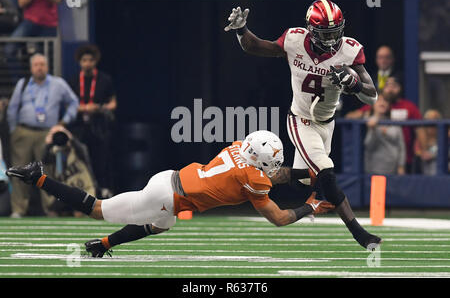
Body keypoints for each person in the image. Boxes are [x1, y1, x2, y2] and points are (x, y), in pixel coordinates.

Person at [6, 130, 335, 257]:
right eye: (269, 165)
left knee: (164, 225)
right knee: (97, 209)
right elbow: (277, 217)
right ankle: (39, 178)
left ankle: (102, 245)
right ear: (260, 161)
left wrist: (314, 173)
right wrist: (310, 207)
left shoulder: (238, 149)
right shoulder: (255, 178)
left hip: (171, 181)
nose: (272, 170)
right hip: (165, 196)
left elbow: (271, 175)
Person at [224, 0, 382, 249]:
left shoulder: (351, 50)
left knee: (305, 181)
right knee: (326, 174)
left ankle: (250, 178)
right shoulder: (294, 40)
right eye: (324, 33)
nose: (331, 39)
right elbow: (256, 47)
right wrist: (242, 30)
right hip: (301, 119)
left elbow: (372, 95)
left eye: (334, 32)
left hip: (327, 123)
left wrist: (354, 85)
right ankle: (360, 234)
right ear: (310, 29)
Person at [6, 53, 79, 217]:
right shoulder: (23, 84)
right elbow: (12, 108)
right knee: (19, 170)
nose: (39, 67)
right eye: (36, 65)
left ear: (47, 67)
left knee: (48, 171)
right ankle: (18, 209)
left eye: (42, 64)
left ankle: (51, 208)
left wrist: (64, 122)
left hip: (47, 133)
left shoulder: (57, 84)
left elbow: (74, 102)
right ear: (31, 68)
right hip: (23, 132)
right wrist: (13, 131)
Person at [346, 77, 427, 173]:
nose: (391, 89)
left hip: (402, 161)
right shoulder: (374, 108)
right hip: (375, 166)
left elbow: (418, 131)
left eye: (394, 86)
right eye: (388, 85)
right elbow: (350, 117)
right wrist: (367, 116)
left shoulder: (409, 107)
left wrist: (424, 150)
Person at [68, 44, 116, 196]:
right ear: (79, 62)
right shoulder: (73, 80)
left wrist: (99, 108)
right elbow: (67, 105)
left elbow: (113, 103)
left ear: (95, 61)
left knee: (101, 161)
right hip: (79, 127)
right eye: (84, 60)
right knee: (79, 162)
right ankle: (82, 193)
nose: (87, 63)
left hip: (99, 127)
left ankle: (103, 192)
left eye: (90, 60)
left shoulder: (105, 79)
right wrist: (82, 108)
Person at [42, 125, 97, 217]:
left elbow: (83, 150)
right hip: (62, 193)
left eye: (61, 133)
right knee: (52, 214)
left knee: (79, 213)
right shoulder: (52, 153)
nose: (60, 137)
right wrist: (48, 144)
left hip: (83, 190)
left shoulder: (78, 150)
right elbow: (44, 162)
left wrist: (69, 137)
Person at [364, 95, 405, 175]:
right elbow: (368, 146)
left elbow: (401, 145)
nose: (382, 103)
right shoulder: (366, 121)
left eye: (385, 100)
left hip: (394, 170)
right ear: (373, 104)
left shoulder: (395, 123)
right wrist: (373, 129)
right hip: (375, 170)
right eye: (379, 100)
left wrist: (401, 166)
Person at [416, 109, 442, 175]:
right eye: (428, 119)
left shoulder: (442, 131)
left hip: (439, 163)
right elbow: (416, 149)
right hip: (424, 162)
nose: (431, 121)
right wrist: (422, 153)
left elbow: (446, 149)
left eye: (434, 119)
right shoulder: (421, 131)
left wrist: (433, 155)